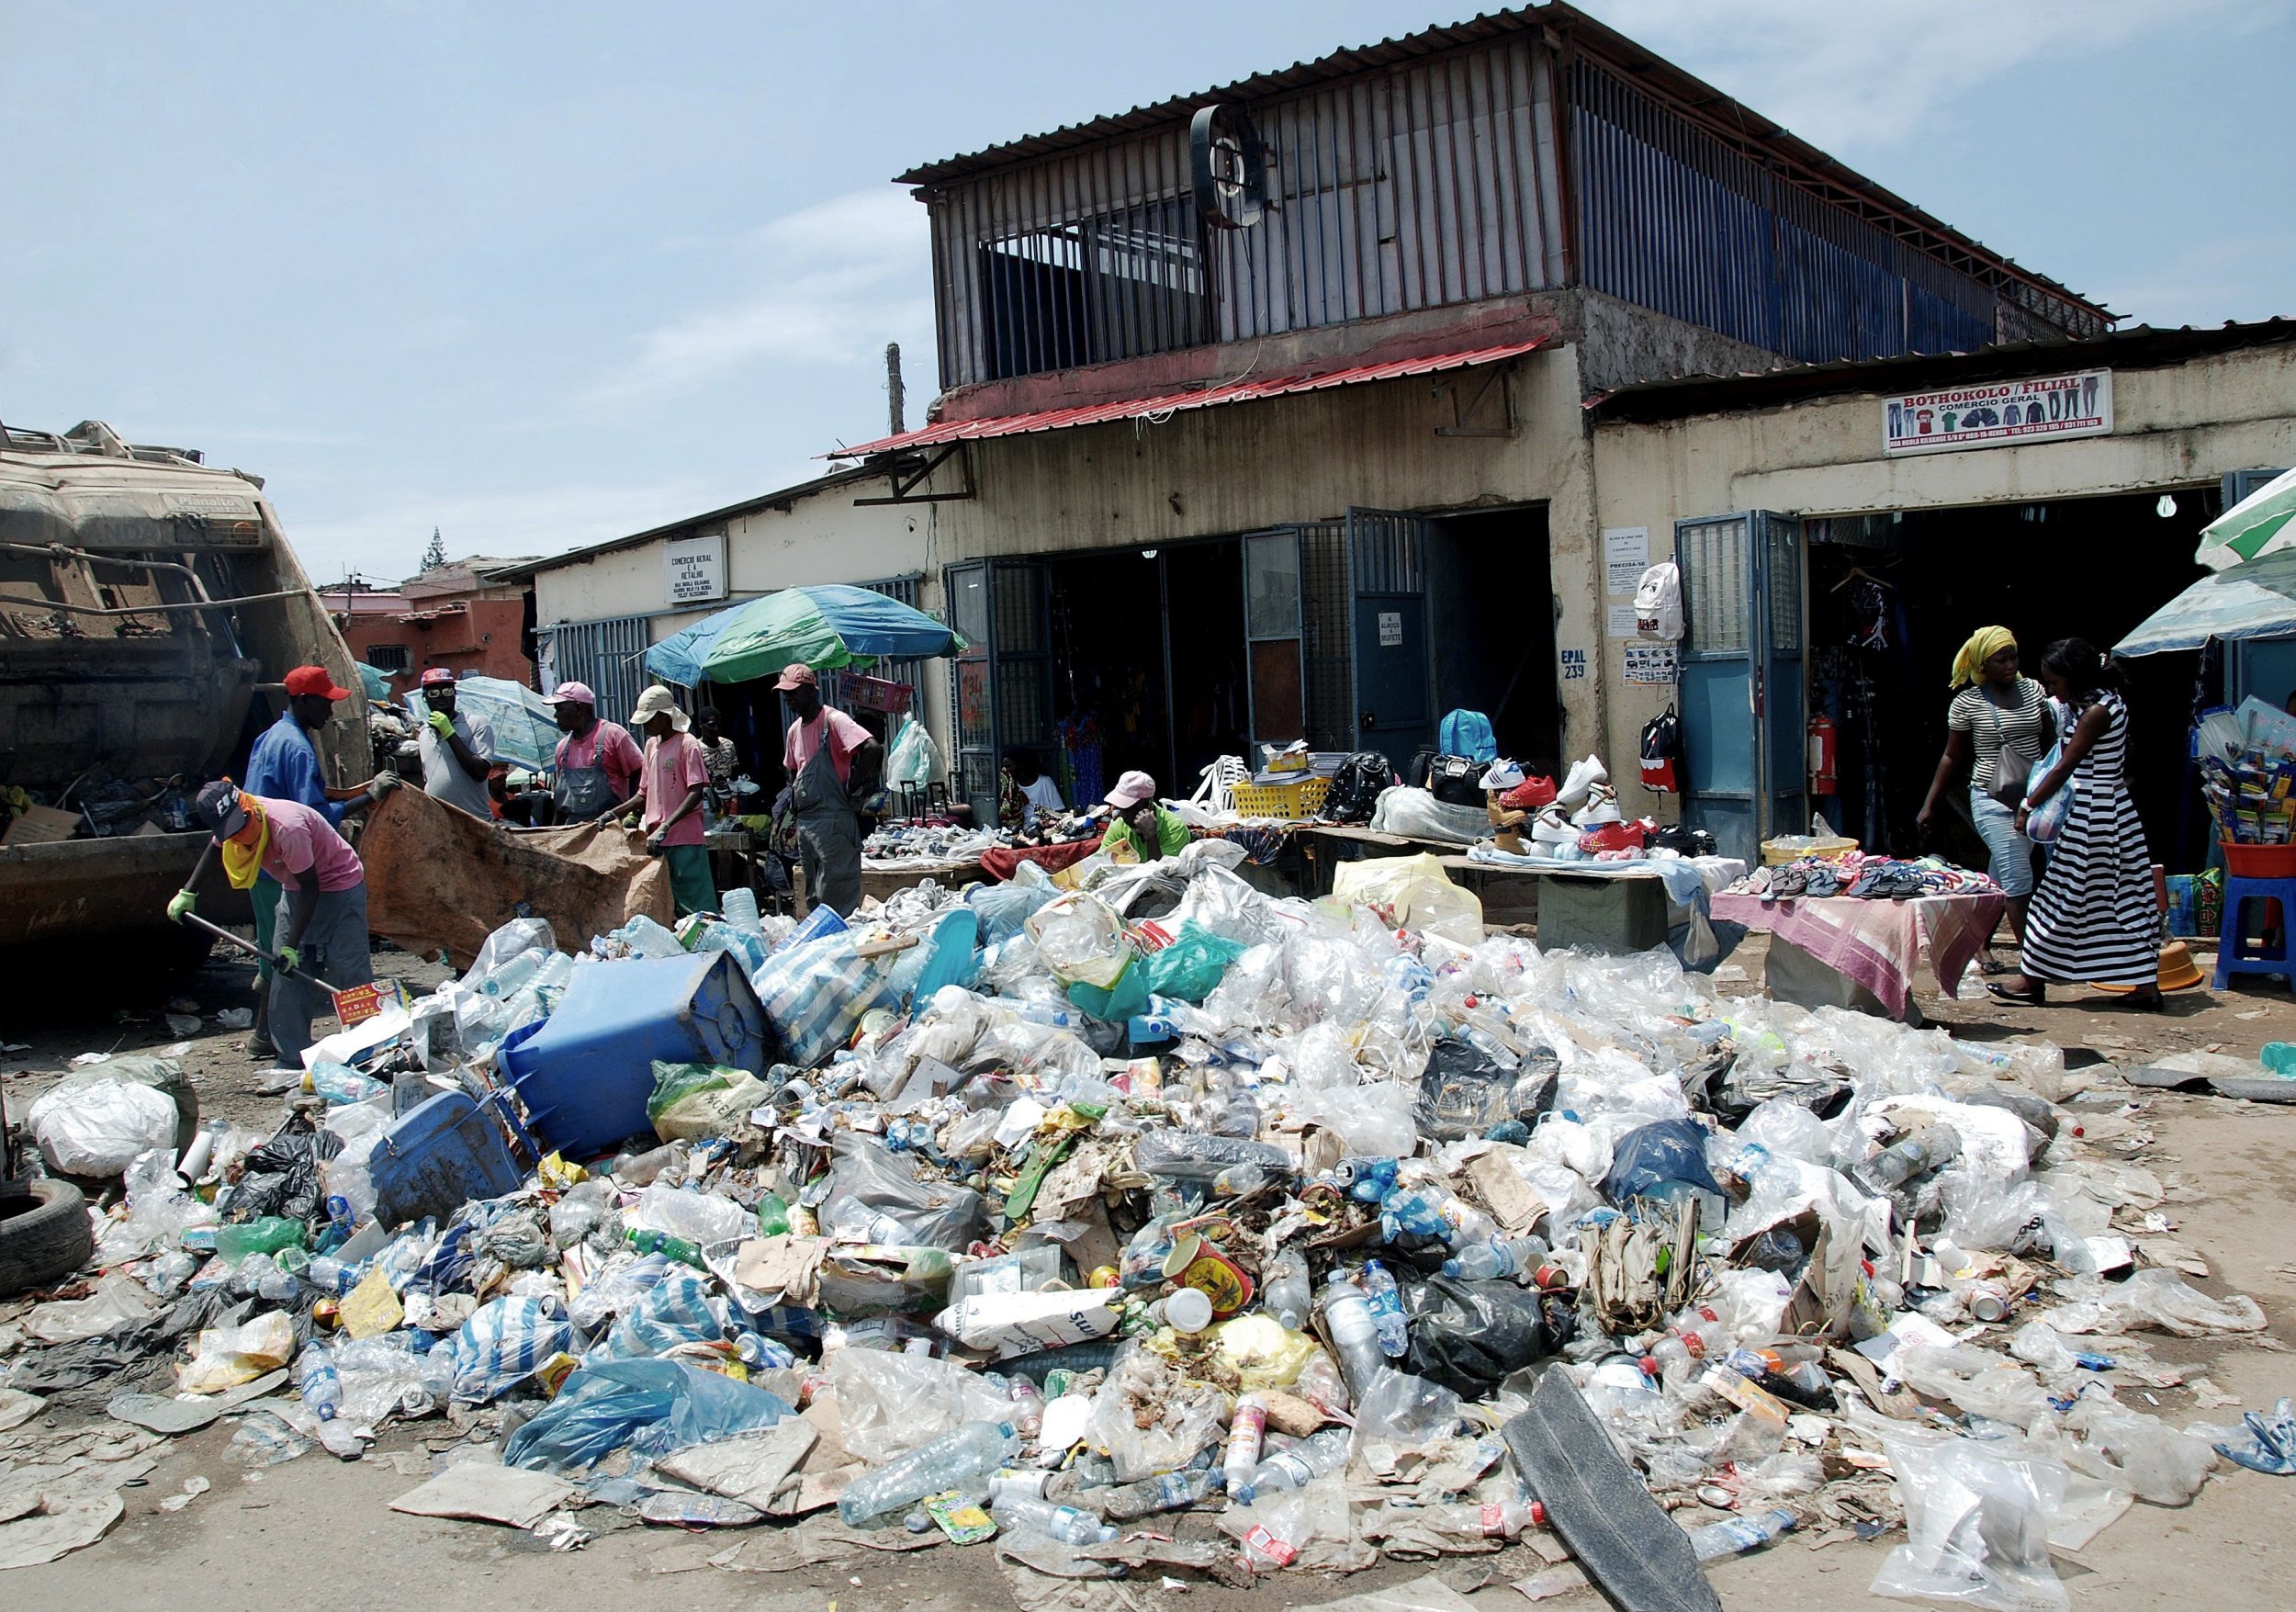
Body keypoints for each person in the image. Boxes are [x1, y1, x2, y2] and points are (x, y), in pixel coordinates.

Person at [1988, 638, 2162, 1009]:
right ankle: (2144, 985)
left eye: (2054, 682)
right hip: (2108, 813)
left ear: (2072, 677)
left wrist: (2028, 805)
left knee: (2059, 897)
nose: (2051, 690)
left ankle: (2031, 980)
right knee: (2122, 898)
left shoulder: (2098, 712)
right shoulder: (2099, 704)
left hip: (2093, 817)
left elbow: (2066, 764)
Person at [242, 664, 398, 1058]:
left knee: (286, 959)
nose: (330, 711)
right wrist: (370, 798)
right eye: (326, 703)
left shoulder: (269, 737)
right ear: (304, 701)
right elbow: (313, 815)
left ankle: (278, 1044)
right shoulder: (296, 748)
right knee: (341, 965)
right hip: (302, 869)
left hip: (268, 864)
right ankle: (367, 1045)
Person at [167, 780, 374, 1066]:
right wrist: (188, 891)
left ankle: (366, 1052)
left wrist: (292, 946)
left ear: (245, 805)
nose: (238, 834)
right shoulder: (230, 819)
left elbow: (310, 887)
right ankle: (292, 1057)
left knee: (349, 970)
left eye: (240, 825)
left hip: (338, 884)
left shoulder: (287, 827)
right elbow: (215, 848)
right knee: (286, 974)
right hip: (294, 887)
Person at [1916, 626, 2053, 966]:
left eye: (2013, 656)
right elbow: (1953, 757)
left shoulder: (2034, 692)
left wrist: (2056, 790)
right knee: (2019, 874)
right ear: (1982, 664)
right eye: (2000, 659)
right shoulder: (1967, 703)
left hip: (2032, 798)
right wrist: (1930, 805)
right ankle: (2034, 963)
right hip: (1990, 799)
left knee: (1999, 876)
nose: (2010, 664)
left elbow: (2052, 745)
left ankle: (1977, 943)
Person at [778, 661, 878, 918]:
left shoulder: (833, 721)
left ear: (811, 690)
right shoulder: (793, 731)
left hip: (834, 819)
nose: (789, 698)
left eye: (794, 692)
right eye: (785, 693)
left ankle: (843, 948)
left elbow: (873, 748)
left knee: (838, 895)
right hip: (807, 823)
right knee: (814, 895)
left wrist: (851, 785)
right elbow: (792, 769)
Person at [620, 684, 716, 916]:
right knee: (667, 904)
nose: (646, 726)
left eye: (650, 720)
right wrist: (613, 813)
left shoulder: (687, 743)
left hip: (684, 837)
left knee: (695, 905)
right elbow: (643, 793)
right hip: (656, 840)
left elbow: (696, 792)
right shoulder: (651, 745)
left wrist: (667, 825)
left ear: (665, 716)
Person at [546, 681, 643, 823]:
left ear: (578, 709)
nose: (556, 716)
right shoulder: (562, 748)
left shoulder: (613, 735)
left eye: (560, 709)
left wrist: (634, 814)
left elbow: (640, 774)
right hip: (574, 830)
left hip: (610, 826)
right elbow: (561, 800)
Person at [415, 668, 498, 818]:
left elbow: (480, 772)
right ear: (425, 697)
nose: (441, 697)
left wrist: (449, 732)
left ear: (455, 693)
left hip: (474, 821)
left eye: (447, 691)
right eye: (433, 693)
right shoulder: (424, 734)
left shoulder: (476, 723)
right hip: (439, 822)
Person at [1099, 770, 1189, 862]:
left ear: (1148, 803)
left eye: (1128, 808)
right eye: (1120, 808)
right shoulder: (1119, 825)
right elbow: (1101, 862)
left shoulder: (1174, 828)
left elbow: (1163, 872)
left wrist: (1151, 837)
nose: (1122, 815)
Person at [1000, 748, 1065, 831]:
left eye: (1009, 766)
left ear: (1020, 764)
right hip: (1024, 829)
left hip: (1048, 826)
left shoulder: (1044, 782)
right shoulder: (1012, 788)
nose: (1006, 770)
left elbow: (1059, 810)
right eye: (1005, 767)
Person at [695, 706, 740, 816]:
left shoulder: (728, 745)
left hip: (730, 800)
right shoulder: (696, 748)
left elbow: (735, 771)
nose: (716, 729)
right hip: (708, 802)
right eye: (711, 725)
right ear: (701, 725)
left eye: (718, 725)